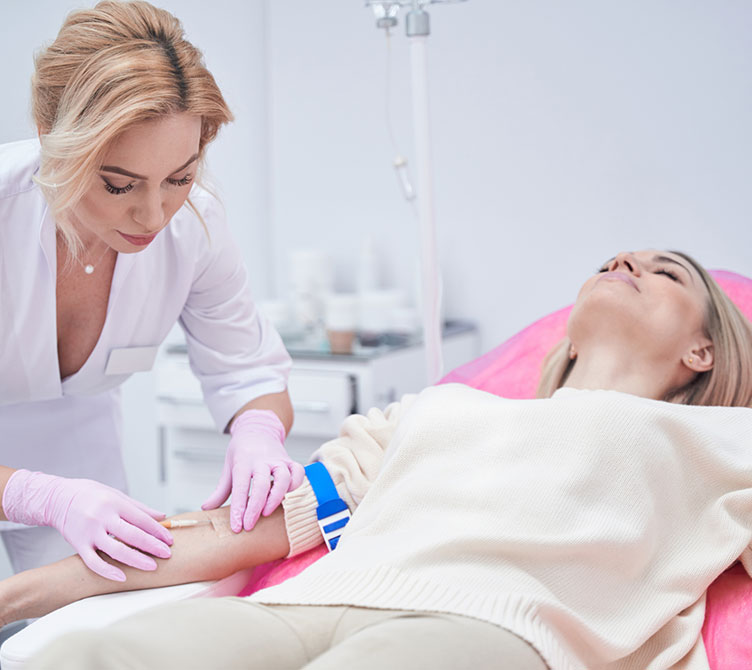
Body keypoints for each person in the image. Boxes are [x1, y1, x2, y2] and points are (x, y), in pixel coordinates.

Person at [4, 249, 752, 669]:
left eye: (666, 272)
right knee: (93, 659)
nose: (627, 260)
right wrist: (21, 596)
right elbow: (248, 531)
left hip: (494, 634)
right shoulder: (432, 413)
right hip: (311, 605)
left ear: (703, 349)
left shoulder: (719, 445)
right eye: (617, 258)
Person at [0, 0, 304, 585]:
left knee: (77, 639)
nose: (153, 213)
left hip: (78, 463)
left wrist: (259, 434)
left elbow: (247, 370)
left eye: (180, 178)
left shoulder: (195, 227)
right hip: (43, 487)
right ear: (50, 138)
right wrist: (40, 496)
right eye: (119, 184)